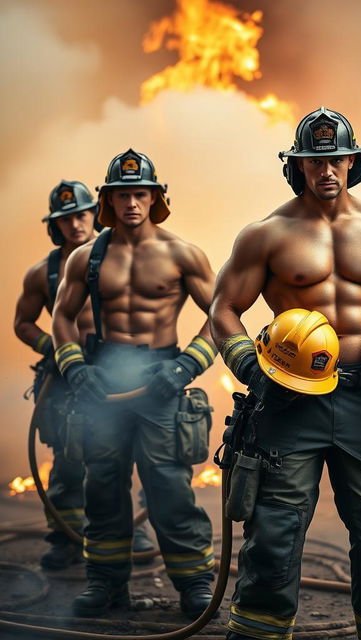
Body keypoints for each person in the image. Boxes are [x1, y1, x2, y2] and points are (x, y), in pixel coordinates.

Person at [210, 107, 361, 640]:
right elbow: (223, 309)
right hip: (289, 402)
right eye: (313, 160)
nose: (326, 170)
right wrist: (249, 364)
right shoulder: (265, 235)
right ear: (296, 166)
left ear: (355, 161)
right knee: (273, 533)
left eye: (335, 158)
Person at [52, 149, 218, 618]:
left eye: (139, 194)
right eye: (122, 194)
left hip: (160, 381)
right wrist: (74, 368)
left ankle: (194, 584)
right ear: (108, 200)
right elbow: (62, 318)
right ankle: (105, 585)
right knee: (101, 485)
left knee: (169, 486)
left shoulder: (182, 254)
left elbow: (221, 317)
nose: (131, 203)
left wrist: (186, 367)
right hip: (101, 382)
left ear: (155, 198)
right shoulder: (86, 258)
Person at [14, 180, 99, 569]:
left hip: (113, 371)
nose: (75, 224)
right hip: (65, 377)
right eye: (66, 218)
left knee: (128, 453)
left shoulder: (120, 257)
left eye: (81, 214)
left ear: (94, 214)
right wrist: (51, 347)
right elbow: (23, 323)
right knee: (67, 459)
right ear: (55, 225)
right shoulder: (42, 273)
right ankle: (65, 538)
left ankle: (132, 532)